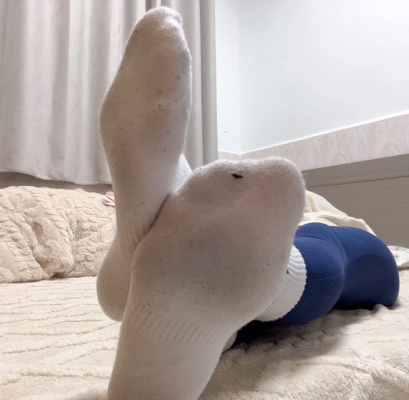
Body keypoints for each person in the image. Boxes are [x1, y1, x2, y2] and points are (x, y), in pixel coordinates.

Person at [96, 7, 400, 400]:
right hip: (306, 270)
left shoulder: (288, 215)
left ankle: (142, 239)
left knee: (317, 244)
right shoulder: (271, 218)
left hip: (286, 273)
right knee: (339, 250)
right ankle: (254, 285)